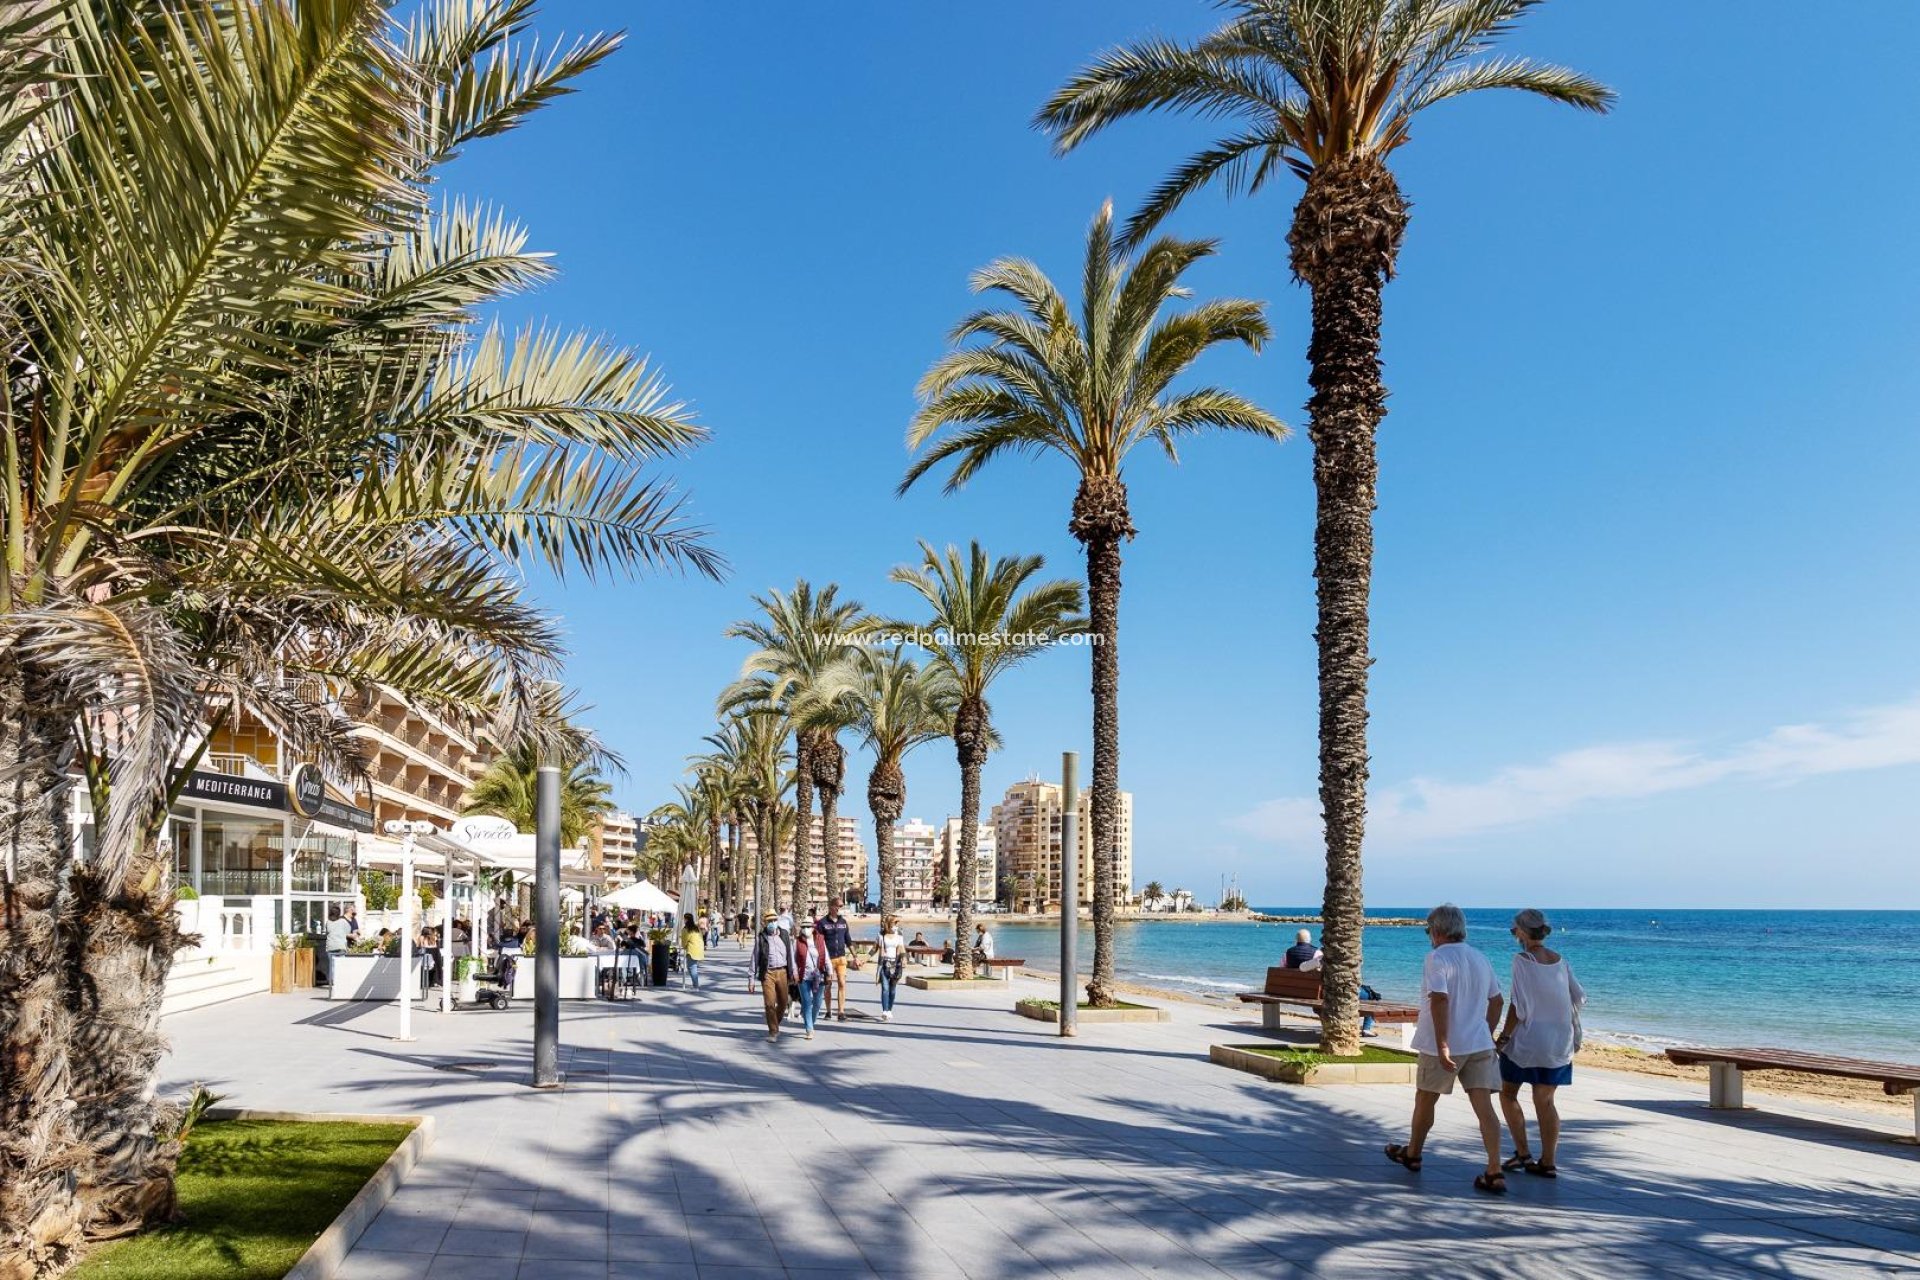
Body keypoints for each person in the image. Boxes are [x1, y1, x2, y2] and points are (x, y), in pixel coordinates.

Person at [1386, 904, 1508, 1194]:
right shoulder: (1480, 958)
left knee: (1425, 1100)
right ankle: (1495, 1169)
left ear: (1437, 931)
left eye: (1429, 930)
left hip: (1442, 1045)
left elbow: (1439, 999)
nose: (1429, 936)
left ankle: (1414, 1153)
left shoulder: (1436, 958)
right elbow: (1498, 1001)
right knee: (1484, 1108)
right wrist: (1486, 1032)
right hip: (1478, 1043)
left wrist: (1442, 1043)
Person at [1496, 908, 1584, 1179]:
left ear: (1523, 931)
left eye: (1515, 929)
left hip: (1528, 1039)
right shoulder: (1559, 960)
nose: (1514, 933)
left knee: (1508, 1093)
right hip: (1558, 1040)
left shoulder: (1522, 959)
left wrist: (1504, 1037)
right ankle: (1548, 1161)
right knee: (1545, 1101)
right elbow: (1578, 997)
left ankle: (1523, 1153)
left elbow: (1518, 1006)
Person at [751, 911, 795, 1041]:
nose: (772, 923)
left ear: (777, 921)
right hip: (768, 973)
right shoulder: (761, 938)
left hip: (782, 972)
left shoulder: (785, 935)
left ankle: (774, 1022)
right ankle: (773, 1031)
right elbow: (754, 958)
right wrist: (751, 979)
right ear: (765, 923)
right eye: (769, 921)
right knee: (769, 1003)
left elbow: (791, 954)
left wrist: (795, 972)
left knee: (783, 1002)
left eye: (774, 920)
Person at [793, 916, 830, 1039]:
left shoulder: (820, 940)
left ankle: (811, 1022)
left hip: (819, 975)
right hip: (803, 976)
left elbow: (826, 956)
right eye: (803, 927)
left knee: (818, 1002)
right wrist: (794, 973)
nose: (805, 929)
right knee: (807, 1001)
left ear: (813, 928)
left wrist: (830, 971)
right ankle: (809, 1028)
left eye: (808, 927)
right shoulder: (797, 942)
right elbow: (793, 959)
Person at [818, 897, 854, 1022]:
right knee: (828, 985)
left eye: (841, 906)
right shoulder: (822, 923)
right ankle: (828, 1011)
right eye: (838, 906)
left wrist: (855, 957)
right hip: (828, 959)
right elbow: (819, 942)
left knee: (842, 984)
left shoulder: (843, 922)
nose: (839, 908)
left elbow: (848, 940)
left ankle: (841, 1012)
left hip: (841, 958)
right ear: (831, 906)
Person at [876, 914, 906, 1022]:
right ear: (889, 923)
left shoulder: (899, 935)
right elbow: (875, 948)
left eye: (897, 923)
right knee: (885, 988)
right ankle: (884, 1010)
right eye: (895, 923)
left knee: (892, 990)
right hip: (885, 964)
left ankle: (889, 1010)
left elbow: (902, 948)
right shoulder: (881, 935)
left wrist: (904, 959)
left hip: (896, 964)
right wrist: (863, 959)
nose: (897, 925)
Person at [323, 905, 350, 985]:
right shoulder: (343, 921)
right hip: (341, 946)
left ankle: (332, 983)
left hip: (330, 946)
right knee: (341, 965)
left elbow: (327, 932)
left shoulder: (328, 922)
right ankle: (341, 983)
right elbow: (348, 931)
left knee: (332, 966)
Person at [681, 913, 705, 991]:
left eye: (684, 918)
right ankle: (695, 985)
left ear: (686, 919)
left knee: (692, 967)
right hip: (699, 949)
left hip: (692, 950)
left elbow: (684, 940)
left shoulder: (686, 929)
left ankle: (696, 986)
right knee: (692, 967)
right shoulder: (696, 928)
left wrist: (684, 946)